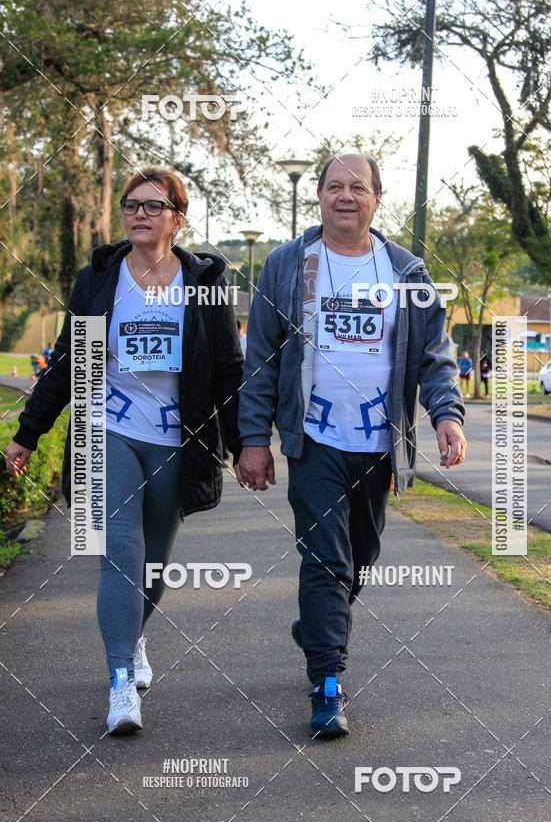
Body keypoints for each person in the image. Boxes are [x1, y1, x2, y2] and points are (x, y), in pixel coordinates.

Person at [236, 153, 466, 739]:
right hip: (313, 439)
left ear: (377, 199)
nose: (345, 196)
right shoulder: (289, 265)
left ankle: (316, 627)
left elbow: (433, 357)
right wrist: (253, 440)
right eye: (334, 186)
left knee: (361, 557)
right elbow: (260, 361)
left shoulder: (407, 272)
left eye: (357, 187)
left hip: (380, 442)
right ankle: (328, 683)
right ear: (318, 196)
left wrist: (447, 415)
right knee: (325, 561)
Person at [5, 167, 243, 735]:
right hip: (106, 430)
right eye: (132, 205)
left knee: (153, 563)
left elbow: (229, 373)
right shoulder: (100, 279)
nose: (139, 214)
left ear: (177, 219)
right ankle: (119, 684)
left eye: (153, 206)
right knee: (120, 549)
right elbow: (68, 363)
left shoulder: (206, 283)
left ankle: (133, 639)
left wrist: (246, 446)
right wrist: (26, 434)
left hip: (175, 442)